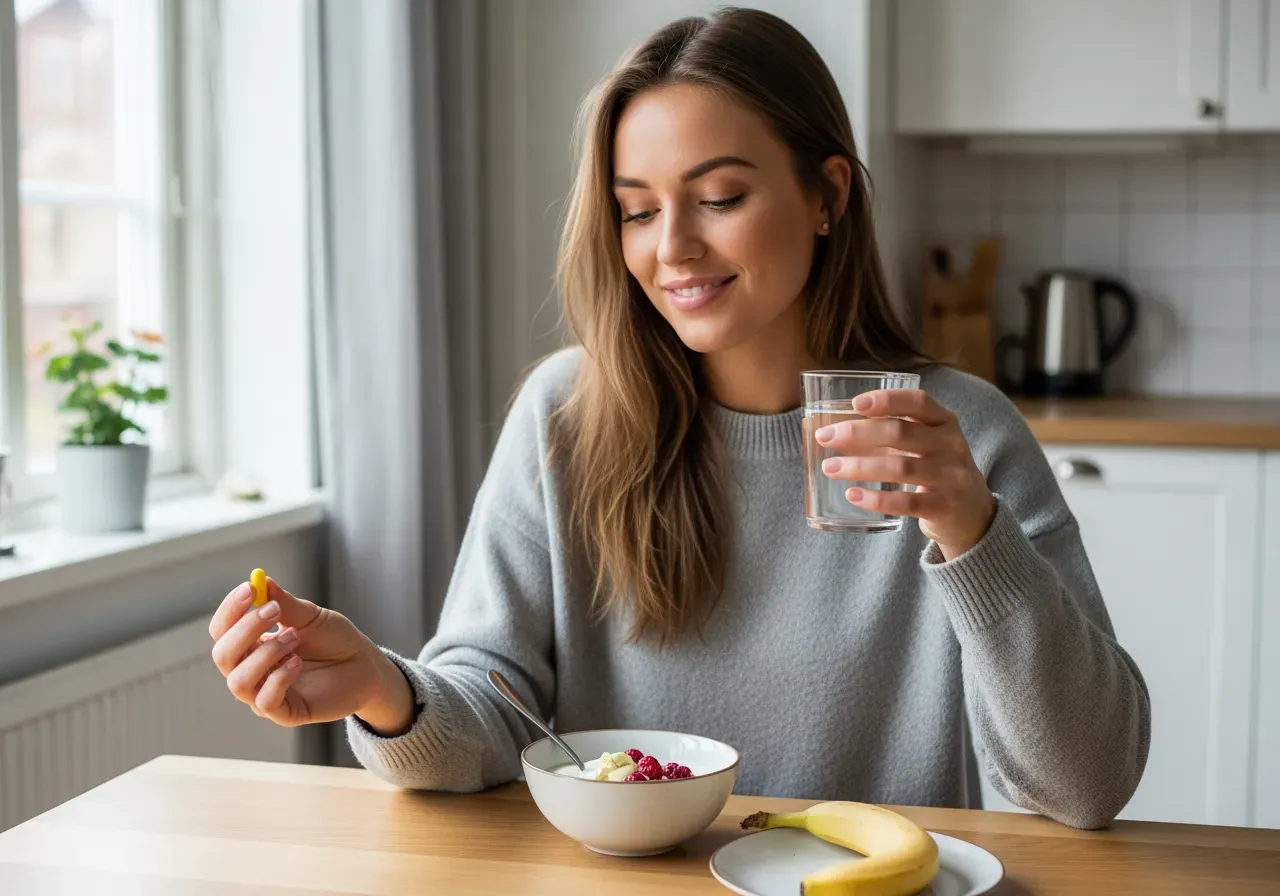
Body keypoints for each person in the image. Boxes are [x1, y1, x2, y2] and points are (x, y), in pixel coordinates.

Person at [207, 7, 1149, 829]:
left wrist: (972, 533)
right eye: (635, 212)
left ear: (828, 195)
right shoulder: (565, 416)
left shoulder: (958, 435)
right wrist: (383, 688)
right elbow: (492, 718)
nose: (673, 249)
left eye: (719, 198)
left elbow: (1086, 786)